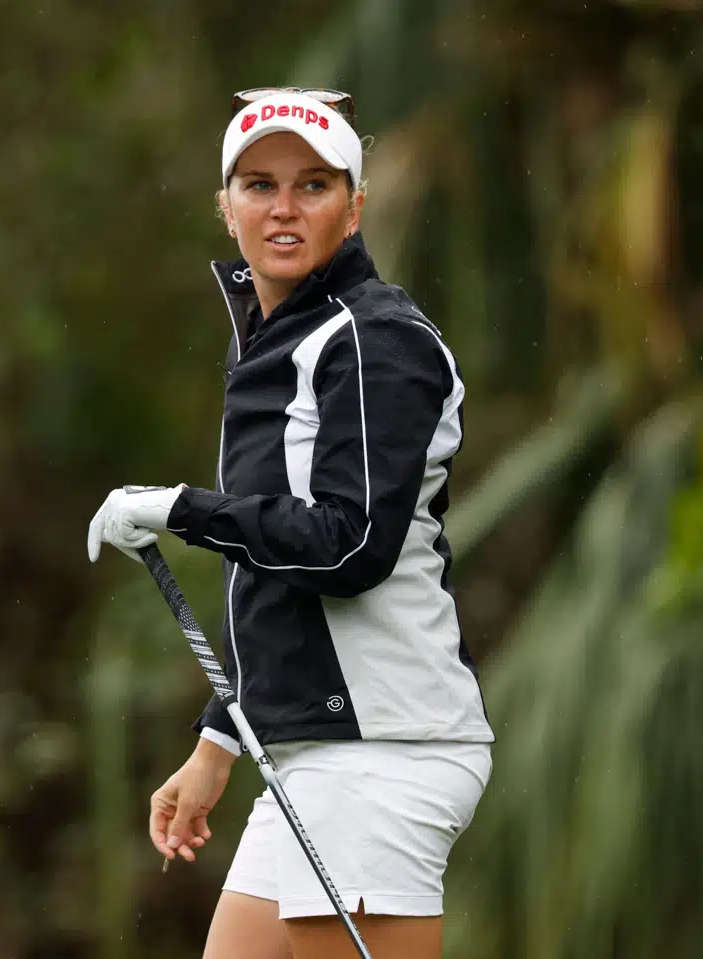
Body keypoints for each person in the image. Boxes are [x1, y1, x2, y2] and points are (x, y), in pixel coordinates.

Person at [86, 87, 493, 959]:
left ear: (355, 204)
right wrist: (216, 741)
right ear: (224, 205)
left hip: (385, 746)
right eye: (258, 184)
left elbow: (347, 545)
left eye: (313, 184)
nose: (283, 207)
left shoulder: (373, 339)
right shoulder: (279, 338)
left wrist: (180, 509)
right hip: (319, 749)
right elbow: (278, 575)